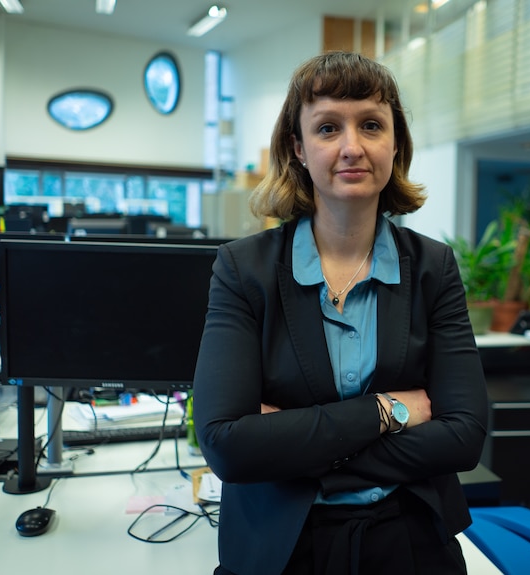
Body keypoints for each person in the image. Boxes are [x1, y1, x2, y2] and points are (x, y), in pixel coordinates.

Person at [192, 51, 488, 575]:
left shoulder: (433, 268)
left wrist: (293, 447)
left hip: (410, 536)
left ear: (395, 144)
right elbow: (227, 447)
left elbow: (463, 436)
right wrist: (387, 412)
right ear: (298, 148)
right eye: (328, 127)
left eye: (371, 125)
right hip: (280, 545)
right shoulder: (244, 270)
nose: (352, 147)